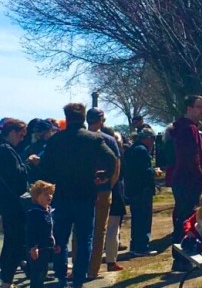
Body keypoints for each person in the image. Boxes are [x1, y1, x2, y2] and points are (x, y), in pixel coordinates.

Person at [39, 103, 116, 288]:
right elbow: (111, 159)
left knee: (60, 239)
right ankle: (79, 279)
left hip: (61, 196)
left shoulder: (56, 140)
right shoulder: (93, 139)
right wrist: (102, 176)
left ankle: (61, 277)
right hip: (85, 194)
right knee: (84, 239)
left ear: (66, 116)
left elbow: (44, 168)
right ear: (83, 117)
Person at [0, 119, 37, 288]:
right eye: (20, 134)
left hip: (7, 201)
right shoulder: (5, 150)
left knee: (13, 241)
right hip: (13, 203)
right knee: (15, 241)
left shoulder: (2, 148)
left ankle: (10, 278)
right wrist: (29, 163)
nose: (21, 138)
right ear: (11, 132)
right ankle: (10, 279)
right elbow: (17, 174)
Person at [85, 107, 121, 278]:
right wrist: (110, 184)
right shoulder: (108, 139)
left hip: (84, 189)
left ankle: (79, 265)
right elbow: (117, 164)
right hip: (103, 190)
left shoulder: (81, 139)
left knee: (80, 229)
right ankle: (93, 270)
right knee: (100, 230)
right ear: (101, 120)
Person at [170, 95, 202, 243]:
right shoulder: (188, 129)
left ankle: (182, 252)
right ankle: (183, 254)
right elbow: (192, 158)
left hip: (182, 181)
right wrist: (201, 179)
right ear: (189, 109)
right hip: (188, 182)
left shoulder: (183, 127)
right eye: (199, 107)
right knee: (187, 220)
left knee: (183, 217)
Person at [123, 128, 160, 256]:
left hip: (133, 189)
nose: (153, 142)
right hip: (142, 189)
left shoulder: (132, 149)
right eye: (153, 139)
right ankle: (142, 247)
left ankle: (135, 246)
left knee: (136, 218)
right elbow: (143, 171)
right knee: (143, 218)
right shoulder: (142, 151)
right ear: (147, 138)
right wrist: (155, 171)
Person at [26, 180, 59, 288]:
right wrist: (33, 247)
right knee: (37, 274)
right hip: (38, 249)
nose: (49, 196)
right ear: (36, 196)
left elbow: (52, 229)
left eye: (50, 194)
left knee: (43, 271)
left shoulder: (49, 210)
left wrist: (56, 243)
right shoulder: (35, 212)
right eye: (45, 194)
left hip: (47, 247)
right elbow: (31, 231)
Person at [105, 131, 127, 272]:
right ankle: (111, 261)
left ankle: (109, 261)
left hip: (103, 190)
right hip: (114, 190)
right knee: (113, 229)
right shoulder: (116, 154)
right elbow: (120, 172)